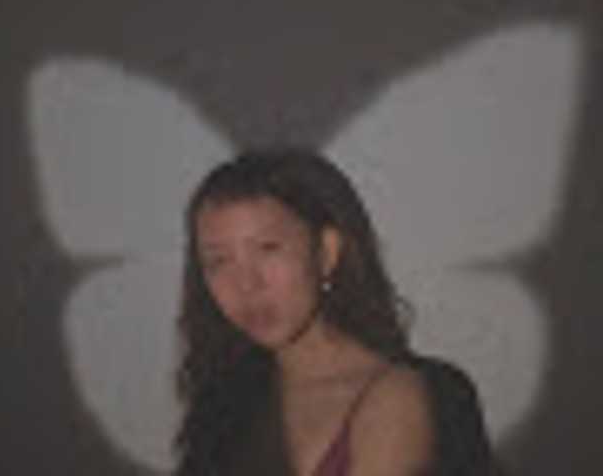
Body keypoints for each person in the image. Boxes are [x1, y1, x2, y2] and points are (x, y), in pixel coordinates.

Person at [174, 148, 496, 475]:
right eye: (218, 262)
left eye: (268, 249)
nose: (246, 284)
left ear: (327, 252)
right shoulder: (224, 406)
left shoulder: (404, 393)